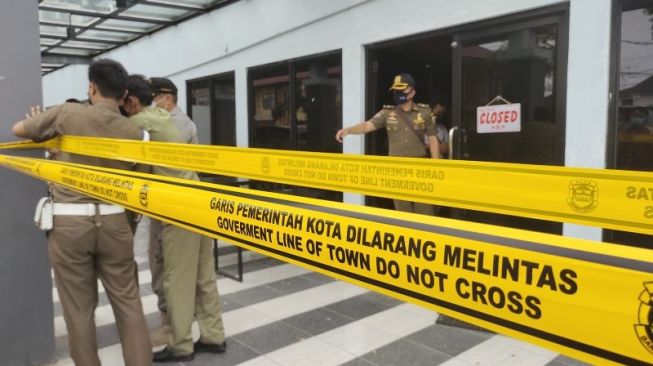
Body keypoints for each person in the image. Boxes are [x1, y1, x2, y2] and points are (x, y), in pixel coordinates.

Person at [12, 59, 152, 366]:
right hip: (116, 221)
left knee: (78, 311)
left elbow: (19, 129)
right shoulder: (136, 132)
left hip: (70, 224)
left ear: (91, 87)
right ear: (123, 93)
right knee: (129, 305)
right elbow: (143, 182)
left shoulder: (67, 113)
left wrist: (45, 133)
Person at [122, 75, 227, 363]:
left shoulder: (139, 121)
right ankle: (213, 335)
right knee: (204, 275)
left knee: (176, 278)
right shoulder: (160, 115)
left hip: (179, 209)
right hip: (198, 201)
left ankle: (180, 344)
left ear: (131, 101)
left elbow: (108, 131)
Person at [335, 73, 440, 215]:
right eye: (396, 90)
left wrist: (436, 164)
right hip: (396, 170)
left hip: (420, 168)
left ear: (412, 92)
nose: (398, 93)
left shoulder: (424, 112)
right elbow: (367, 126)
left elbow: (433, 138)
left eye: (402, 90)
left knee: (425, 212)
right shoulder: (387, 113)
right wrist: (349, 130)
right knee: (403, 213)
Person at [147, 77, 200, 346]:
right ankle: (181, 322)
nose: (151, 103)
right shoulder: (181, 121)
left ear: (167, 98)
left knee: (165, 262)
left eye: (153, 97)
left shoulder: (174, 123)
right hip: (178, 200)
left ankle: (173, 327)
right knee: (177, 265)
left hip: (172, 202)